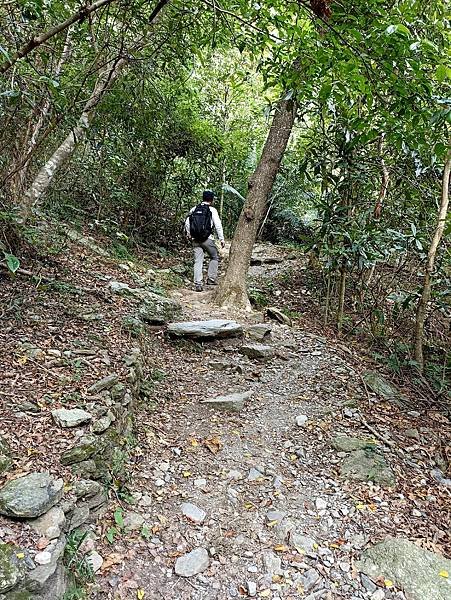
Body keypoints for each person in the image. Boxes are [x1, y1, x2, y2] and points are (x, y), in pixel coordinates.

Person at [185, 190, 225, 292]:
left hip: (195, 239)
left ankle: (198, 284)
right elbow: (218, 225)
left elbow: (187, 223)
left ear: (203, 198)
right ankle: (211, 279)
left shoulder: (194, 209)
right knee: (214, 256)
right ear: (211, 200)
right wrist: (221, 239)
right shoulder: (212, 210)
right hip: (207, 239)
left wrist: (189, 234)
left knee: (198, 261)